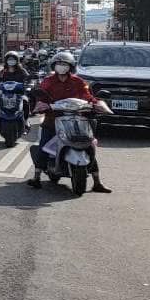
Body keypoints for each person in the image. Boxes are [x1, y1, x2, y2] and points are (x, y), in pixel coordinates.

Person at [27, 49, 111, 193]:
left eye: (65, 64)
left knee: (88, 145)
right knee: (44, 146)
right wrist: (42, 105)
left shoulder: (78, 81)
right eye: (59, 64)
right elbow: (41, 96)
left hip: (76, 118)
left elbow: (87, 95)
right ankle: (36, 177)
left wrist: (95, 103)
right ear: (54, 65)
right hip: (53, 119)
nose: (62, 66)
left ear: (70, 66)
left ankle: (97, 182)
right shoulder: (48, 81)